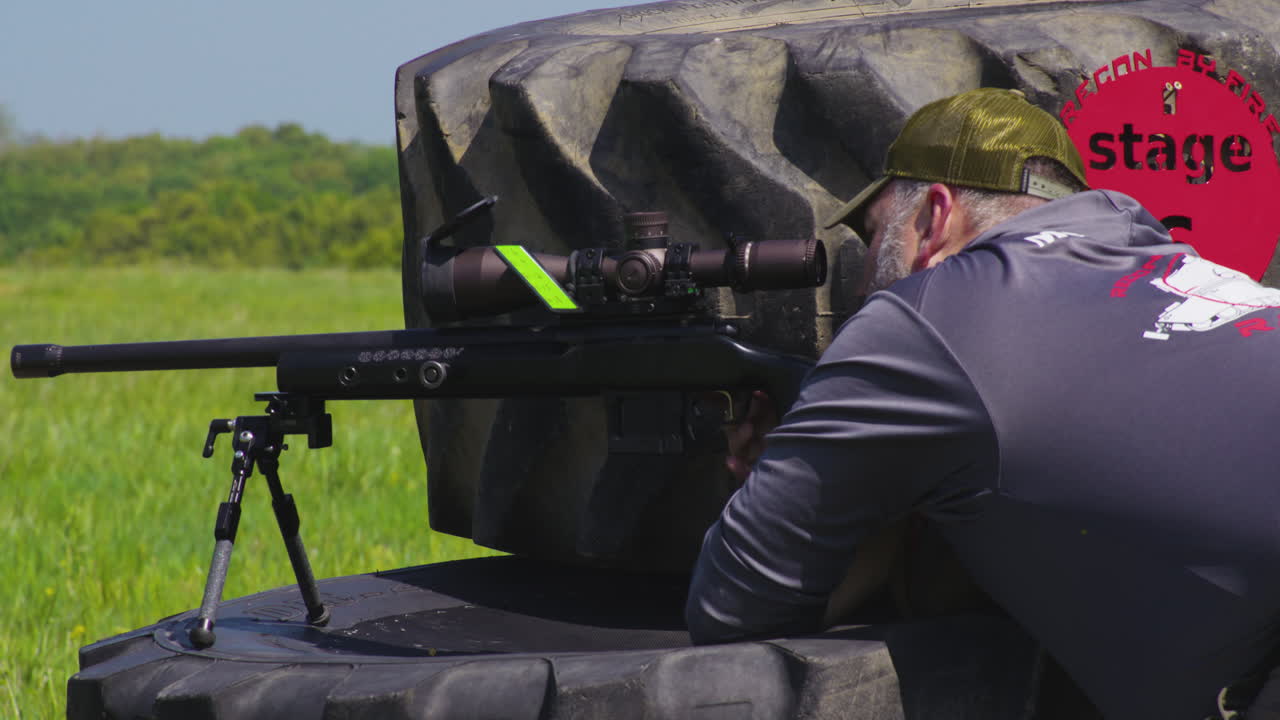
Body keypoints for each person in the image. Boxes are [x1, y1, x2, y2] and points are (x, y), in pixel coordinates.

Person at [685, 87, 1280, 719]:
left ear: (935, 216)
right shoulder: (1206, 279)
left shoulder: (922, 318)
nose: (862, 282)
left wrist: (822, 478)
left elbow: (733, 606)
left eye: (875, 235)